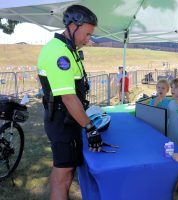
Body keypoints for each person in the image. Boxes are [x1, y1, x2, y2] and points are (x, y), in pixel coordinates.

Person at [37, 5, 102, 200]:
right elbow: (68, 97)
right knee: (63, 176)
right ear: (73, 26)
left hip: (68, 120)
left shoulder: (67, 48)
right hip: (62, 121)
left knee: (66, 172)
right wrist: (90, 128)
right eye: (87, 34)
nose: (88, 40)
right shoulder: (59, 52)